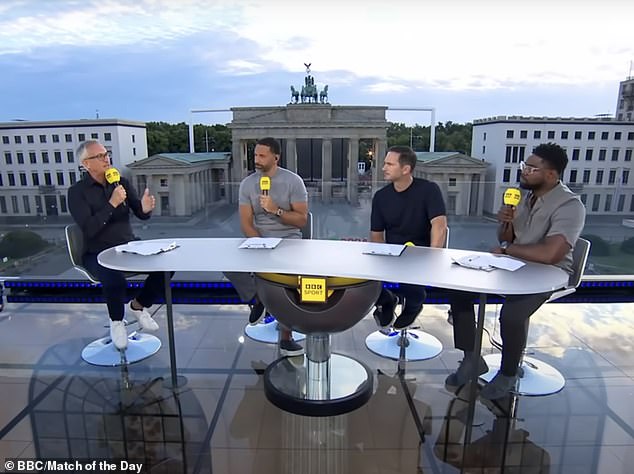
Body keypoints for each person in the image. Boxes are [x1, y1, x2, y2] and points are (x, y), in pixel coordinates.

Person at [445, 142, 586, 400]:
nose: (523, 171)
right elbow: (506, 238)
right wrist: (506, 224)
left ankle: (508, 373)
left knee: (511, 315)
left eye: (531, 168)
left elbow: (550, 254)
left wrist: (508, 250)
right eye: (524, 166)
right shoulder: (522, 196)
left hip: (549, 272)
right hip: (514, 264)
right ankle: (472, 357)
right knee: (458, 289)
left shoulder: (570, 206)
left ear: (552, 175)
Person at [68, 140, 171, 351]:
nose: (106, 159)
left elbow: (141, 215)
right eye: (100, 156)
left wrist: (145, 208)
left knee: (167, 265)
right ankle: (117, 322)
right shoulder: (77, 192)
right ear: (86, 164)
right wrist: (112, 204)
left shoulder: (120, 182)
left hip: (128, 246)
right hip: (97, 252)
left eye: (106, 154)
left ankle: (139, 305)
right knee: (114, 279)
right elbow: (89, 228)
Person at [224, 137, 308, 357]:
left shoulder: (294, 182)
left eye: (262, 156)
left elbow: (301, 221)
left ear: (275, 157)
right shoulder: (247, 184)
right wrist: (260, 245)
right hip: (258, 238)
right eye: (255, 155)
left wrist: (275, 209)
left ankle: (286, 337)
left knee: (286, 279)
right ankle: (256, 297)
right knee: (228, 263)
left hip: (289, 239)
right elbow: (245, 223)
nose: (257, 160)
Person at [370, 146, 447, 330]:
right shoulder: (381, 197)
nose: (384, 168)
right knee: (363, 283)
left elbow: (439, 225)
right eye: (384, 163)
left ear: (405, 169)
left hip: (421, 254)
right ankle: (387, 300)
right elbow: (376, 235)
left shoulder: (429, 190)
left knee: (413, 286)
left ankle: (413, 306)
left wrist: (433, 256)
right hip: (392, 254)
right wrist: (382, 262)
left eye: (389, 164)